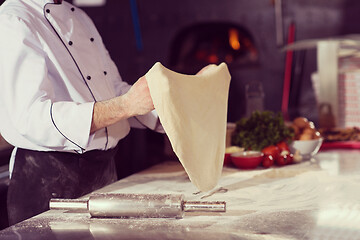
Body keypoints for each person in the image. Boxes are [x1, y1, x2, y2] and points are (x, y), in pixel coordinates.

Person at [0, 0, 163, 225]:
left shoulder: (80, 18)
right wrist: (126, 105)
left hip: (103, 175)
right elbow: (31, 117)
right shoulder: (14, 18)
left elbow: (112, 90)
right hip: (49, 184)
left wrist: (170, 106)